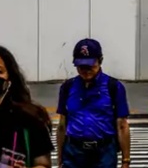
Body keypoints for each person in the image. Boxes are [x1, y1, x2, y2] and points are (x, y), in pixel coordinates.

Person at [56, 38, 131, 168]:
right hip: (74, 153)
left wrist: (126, 160)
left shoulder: (113, 87)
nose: (86, 70)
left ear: (100, 61)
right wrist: (60, 158)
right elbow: (62, 124)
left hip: (104, 153)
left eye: (90, 66)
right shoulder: (67, 87)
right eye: (81, 66)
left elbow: (122, 125)